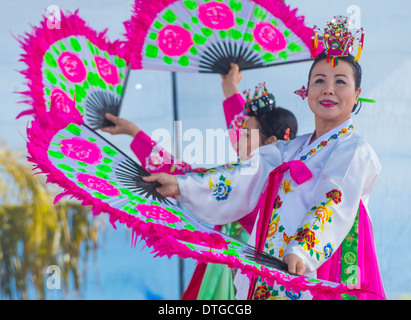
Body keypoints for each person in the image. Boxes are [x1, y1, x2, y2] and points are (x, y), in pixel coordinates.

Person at [142, 17, 386, 300]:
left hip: (319, 262)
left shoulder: (355, 150)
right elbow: (242, 173)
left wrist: (303, 250)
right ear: (306, 92)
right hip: (273, 263)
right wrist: (182, 185)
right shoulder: (288, 149)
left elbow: (334, 197)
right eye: (319, 80)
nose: (328, 88)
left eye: (340, 82)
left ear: (357, 95)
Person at [101, 65, 298, 300]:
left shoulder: (260, 178)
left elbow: (190, 176)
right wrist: (229, 87)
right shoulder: (259, 168)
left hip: (269, 271)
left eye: (245, 135)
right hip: (251, 265)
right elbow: (191, 173)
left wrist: (179, 183)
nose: (238, 137)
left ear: (272, 143)